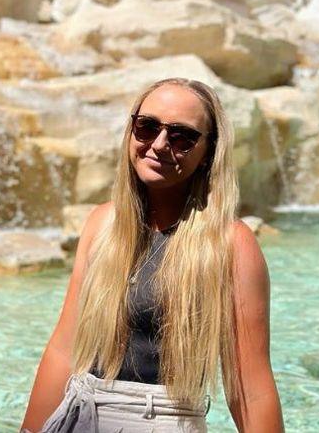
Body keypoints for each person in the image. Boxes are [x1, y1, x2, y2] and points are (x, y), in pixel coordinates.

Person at [20, 78, 284, 432]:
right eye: (146, 127)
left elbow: (250, 390)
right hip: (79, 417)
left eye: (181, 137)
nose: (159, 145)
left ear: (208, 152)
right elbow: (64, 349)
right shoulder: (102, 225)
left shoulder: (231, 244)